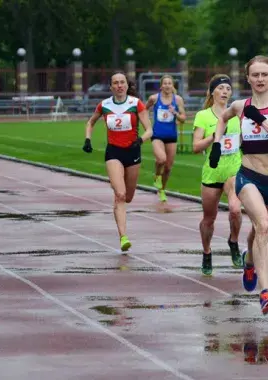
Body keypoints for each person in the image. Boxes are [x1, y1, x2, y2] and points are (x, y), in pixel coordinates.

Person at [209, 55, 268, 315]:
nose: (259, 79)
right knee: (263, 228)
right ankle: (266, 292)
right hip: (248, 177)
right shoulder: (239, 105)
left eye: (264, 75)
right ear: (247, 78)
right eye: (255, 75)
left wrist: (262, 120)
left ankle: (249, 260)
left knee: (259, 232)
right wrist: (216, 143)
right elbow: (222, 119)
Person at [82, 71, 153, 252]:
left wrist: (141, 140)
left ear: (127, 86)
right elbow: (90, 122)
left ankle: (119, 190)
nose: (119, 85)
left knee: (128, 197)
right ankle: (123, 237)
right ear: (111, 86)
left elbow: (149, 130)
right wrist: (88, 139)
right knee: (120, 195)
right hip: (113, 152)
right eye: (116, 83)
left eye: (122, 82)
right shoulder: (104, 105)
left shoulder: (136, 104)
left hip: (133, 152)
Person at [192, 74, 243, 276]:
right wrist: (214, 137)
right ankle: (206, 252)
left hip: (234, 169)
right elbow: (196, 147)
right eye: (221, 88)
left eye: (228, 89)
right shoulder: (203, 116)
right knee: (209, 219)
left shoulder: (238, 114)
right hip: (212, 172)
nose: (225, 92)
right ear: (212, 91)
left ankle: (233, 241)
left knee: (235, 210)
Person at [145, 75, 186, 203]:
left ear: (172, 86)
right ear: (161, 86)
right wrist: (147, 126)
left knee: (168, 167)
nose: (167, 85)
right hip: (157, 134)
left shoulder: (178, 100)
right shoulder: (154, 98)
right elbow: (143, 110)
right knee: (161, 159)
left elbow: (183, 118)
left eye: (170, 83)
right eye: (165, 83)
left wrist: (175, 113)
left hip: (171, 136)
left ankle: (162, 189)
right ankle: (157, 176)